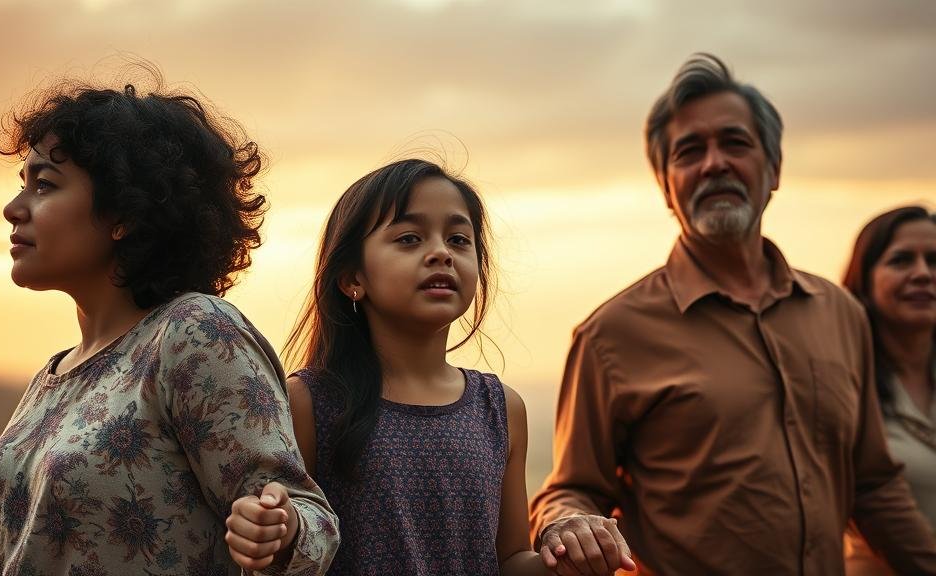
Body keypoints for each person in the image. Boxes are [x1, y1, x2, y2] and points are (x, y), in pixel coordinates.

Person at [529, 53, 936, 575]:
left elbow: (874, 485)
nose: (714, 163)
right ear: (665, 185)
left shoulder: (840, 314)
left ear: (774, 168)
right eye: (689, 151)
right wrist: (567, 522)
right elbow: (570, 490)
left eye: (735, 143)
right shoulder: (611, 335)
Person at [0, 65, 338, 575]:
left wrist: (281, 529)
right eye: (22, 184)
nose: (14, 208)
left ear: (125, 214)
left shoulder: (194, 333)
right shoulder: (51, 378)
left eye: (45, 185)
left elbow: (307, 519)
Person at [224, 158, 554, 574]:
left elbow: (510, 560)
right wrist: (274, 527)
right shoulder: (310, 401)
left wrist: (570, 560)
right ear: (352, 279)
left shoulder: (501, 408)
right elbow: (295, 539)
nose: (441, 253)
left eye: (458, 239)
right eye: (410, 238)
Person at [842, 206, 936, 574]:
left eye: (934, 260)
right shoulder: (843, 385)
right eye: (901, 261)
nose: (923, 274)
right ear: (864, 279)